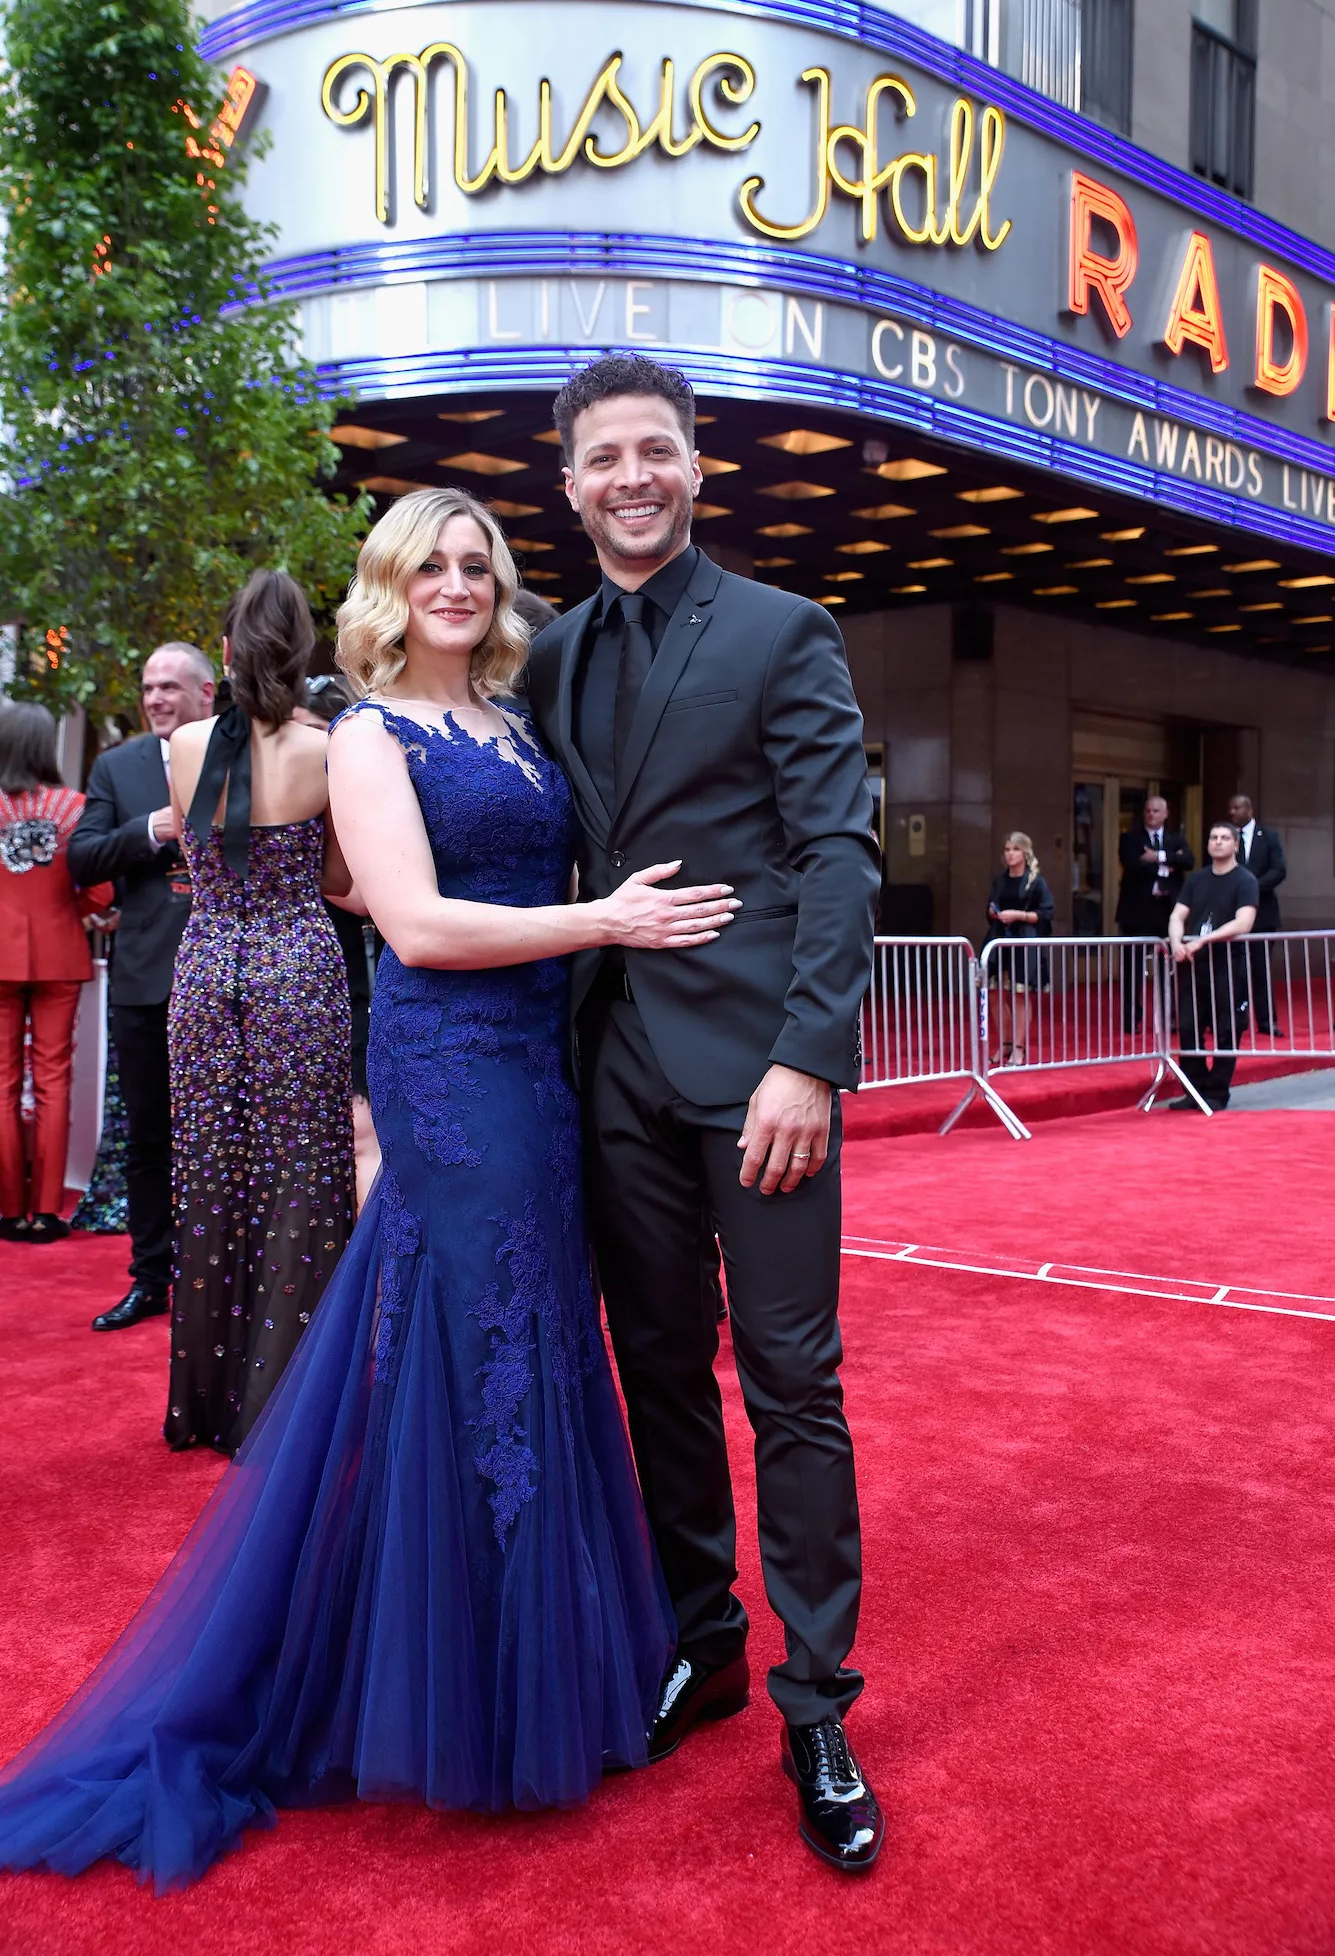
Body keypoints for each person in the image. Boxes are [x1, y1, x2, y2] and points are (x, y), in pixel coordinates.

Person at [0, 485, 737, 1889]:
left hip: (536, 1069)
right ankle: (474, 1676)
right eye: (426, 567)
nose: (454, 585)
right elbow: (410, 921)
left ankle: (504, 1645)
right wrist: (609, 919)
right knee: (490, 1341)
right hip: (452, 1070)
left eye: (475, 565)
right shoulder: (371, 735)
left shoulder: (514, 728)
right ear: (384, 590)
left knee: (504, 1346)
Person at [527, 354, 884, 1873]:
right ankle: (704, 1640)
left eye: (654, 451)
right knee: (655, 1369)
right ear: (569, 483)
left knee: (790, 1385)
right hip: (602, 1067)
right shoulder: (548, 656)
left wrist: (808, 1057)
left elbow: (838, 850)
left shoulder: (778, 631)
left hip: (758, 1075)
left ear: (695, 466)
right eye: (602, 457)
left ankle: (816, 1704)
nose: (630, 477)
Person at [163, 574, 355, 1456]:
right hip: (297, 971)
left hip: (206, 968)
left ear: (228, 654)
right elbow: (339, 886)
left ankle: (206, 1399)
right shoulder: (330, 750)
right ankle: (281, 1405)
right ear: (304, 655)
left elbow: (200, 857)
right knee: (300, 1181)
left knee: (210, 1176)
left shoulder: (186, 743)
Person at [69, 644, 214, 1330]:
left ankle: (221, 1275)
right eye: (148, 688)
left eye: (169, 687)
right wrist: (150, 829)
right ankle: (152, 1276)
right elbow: (81, 858)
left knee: (224, 1136)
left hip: (230, 975)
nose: (154, 698)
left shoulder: (240, 752)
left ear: (206, 693)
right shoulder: (116, 767)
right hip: (143, 980)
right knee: (149, 1139)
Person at [0, 704, 114, 1243]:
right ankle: (45, 1211)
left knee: (1, 1083)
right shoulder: (75, 806)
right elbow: (98, 889)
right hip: (60, 954)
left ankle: (7, 1207)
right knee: (52, 1079)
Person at [293, 672, 381, 1208]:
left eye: (313, 739)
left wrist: (297, 870)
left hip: (347, 979)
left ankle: (365, 1286)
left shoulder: (361, 785)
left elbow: (363, 896)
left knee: (359, 1130)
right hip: (283, 984)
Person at [1168, 822, 1258, 1112]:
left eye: (1224, 838)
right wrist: (1175, 941)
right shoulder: (1197, 879)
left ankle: (1217, 1092)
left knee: (1226, 1029)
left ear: (1235, 845)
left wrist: (1204, 940)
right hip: (1195, 965)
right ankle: (1194, 1090)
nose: (1217, 842)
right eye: (1213, 837)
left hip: (1228, 964)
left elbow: (1243, 922)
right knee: (1188, 1026)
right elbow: (1178, 915)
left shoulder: (1245, 880)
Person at [1115, 795, 1193, 1031]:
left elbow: (1188, 860)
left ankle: (1169, 1018)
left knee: (1167, 969)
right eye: (1148, 811)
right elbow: (1132, 863)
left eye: (1156, 811)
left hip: (1166, 912)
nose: (1151, 815)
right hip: (1137, 912)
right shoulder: (1130, 838)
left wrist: (1157, 856)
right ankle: (1131, 1019)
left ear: (1166, 814)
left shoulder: (1175, 839)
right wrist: (1169, 864)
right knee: (1132, 970)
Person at [984, 833, 1054, 1066]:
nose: (1010, 853)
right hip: (998, 937)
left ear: (1025, 852)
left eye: (1014, 849)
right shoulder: (1000, 880)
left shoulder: (1035, 881)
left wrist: (1019, 915)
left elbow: (1045, 913)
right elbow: (990, 906)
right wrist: (994, 913)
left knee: (1019, 994)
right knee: (993, 992)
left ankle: (1019, 1047)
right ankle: (1004, 1042)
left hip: (1024, 939)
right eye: (1006, 849)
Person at [1229, 793, 1286, 1037]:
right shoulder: (1227, 837)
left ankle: (1267, 1021)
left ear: (1248, 810)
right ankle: (1236, 1019)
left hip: (1263, 913)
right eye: (1229, 808)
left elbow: (1279, 870)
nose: (1231, 812)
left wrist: (1251, 887)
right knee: (1236, 969)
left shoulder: (1269, 836)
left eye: (1236, 807)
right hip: (1233, 914)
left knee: (1261, 969)